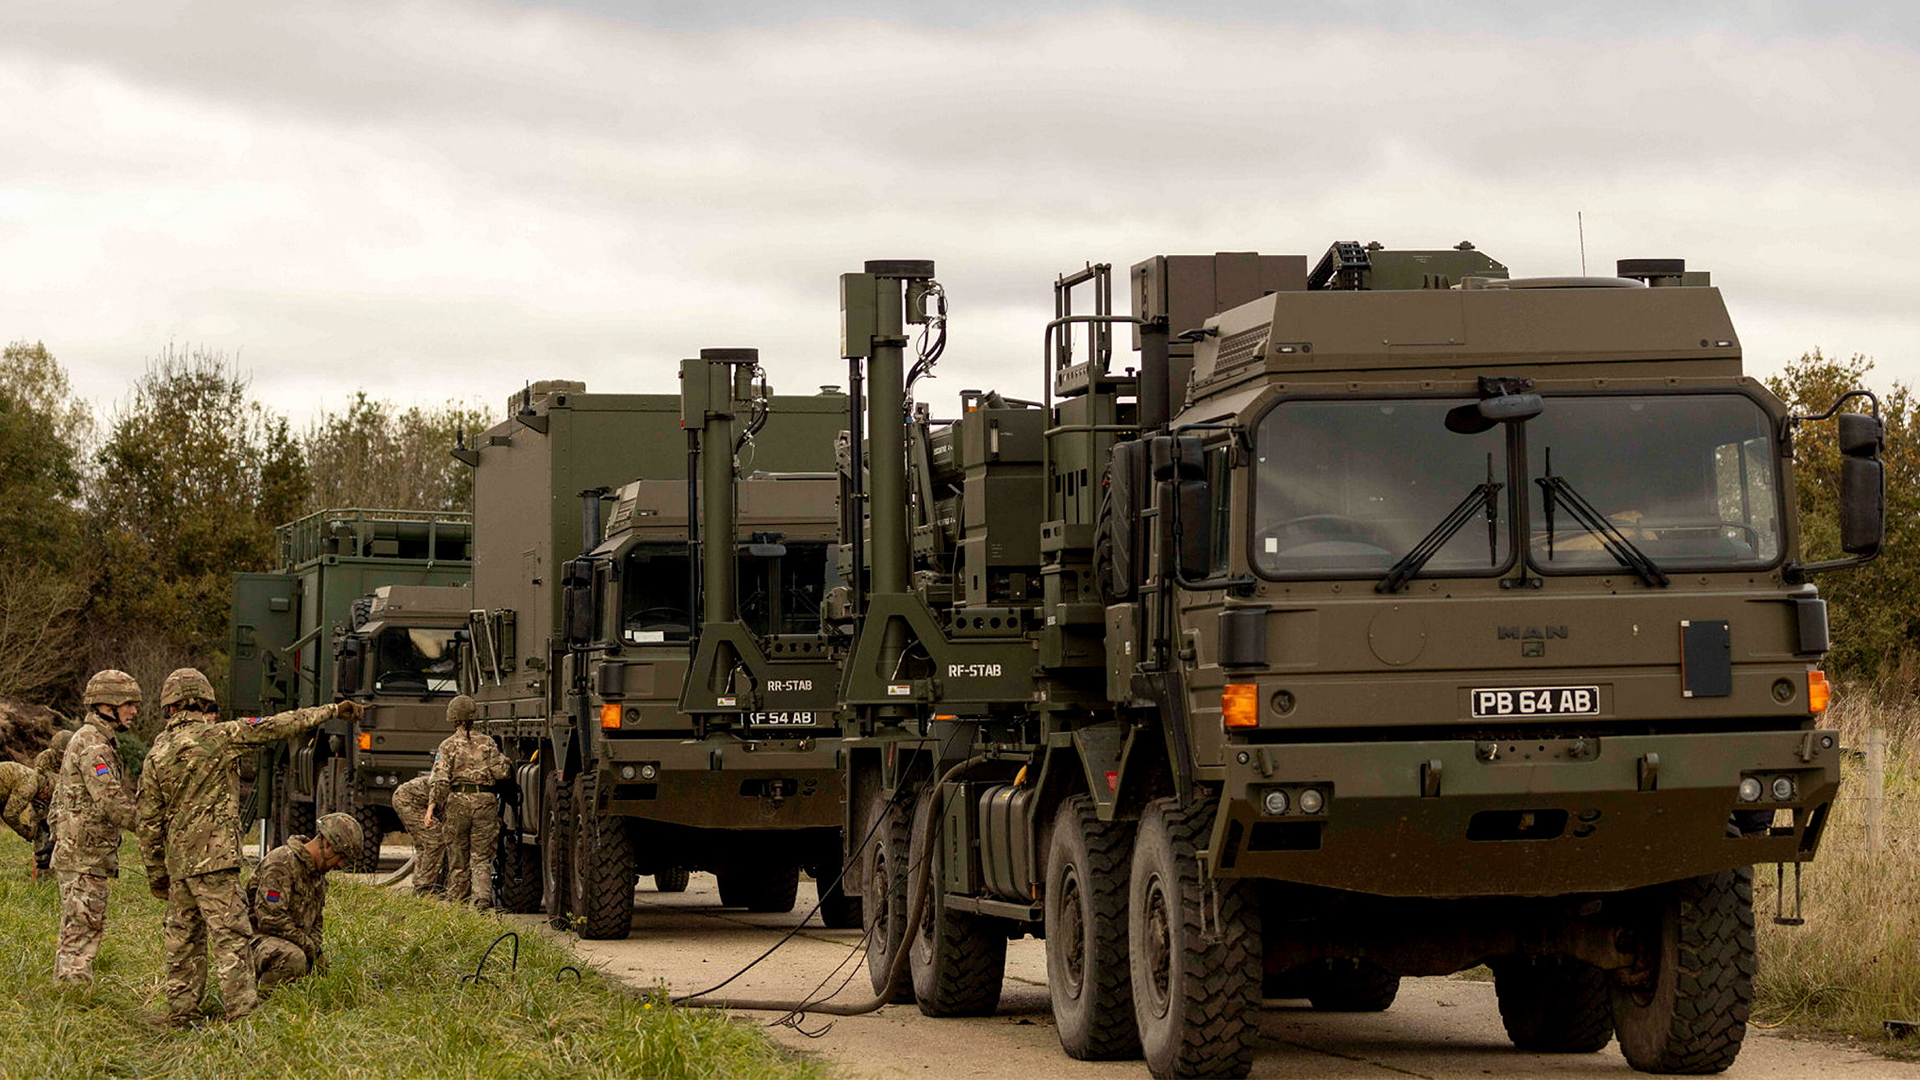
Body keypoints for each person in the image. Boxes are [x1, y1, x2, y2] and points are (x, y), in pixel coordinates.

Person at [136, 668, 360, 1027]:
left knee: (183, 944)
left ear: (169, 707)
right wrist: (331, 711)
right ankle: (242, 1017)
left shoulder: (156, 755)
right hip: (216, 864)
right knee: (231, 941)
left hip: (180, 867)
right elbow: (281, 724)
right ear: (206, 702)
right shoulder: (222, 736)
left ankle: (181, 1015)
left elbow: (147, 823)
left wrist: (157, 875)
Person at [51, 671, 141, 984]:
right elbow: (112, 802)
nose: (133, 710)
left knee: (80, 926)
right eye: (128, 703)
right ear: (107, 704)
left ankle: (70, 989)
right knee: (82, 928)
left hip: (80, 854)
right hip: (84, 857)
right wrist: (150, 826)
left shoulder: (95, 740)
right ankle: (73, 992)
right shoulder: (93, 745)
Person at [250, 812, 360, 991]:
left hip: (291, 942)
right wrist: (309, 948)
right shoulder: (281, 863)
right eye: (340, 856)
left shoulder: (317, 876)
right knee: (293, 959)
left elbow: (316, 921)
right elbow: (270, 919)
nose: (340, 864)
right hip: (256, 941)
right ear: (326, 844)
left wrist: (316, 951)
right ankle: (263, 1002)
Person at [423, 695, 508, 907]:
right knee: (481, 857)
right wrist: (506, 762)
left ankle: (458, 903)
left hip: (457, 803)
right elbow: (501, 773)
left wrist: (431, 807)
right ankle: (482, 899)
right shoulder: (488, 743)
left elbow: (441, 779)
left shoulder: (447, 746)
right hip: (485, 802)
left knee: (458, 857)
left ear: (452, 717)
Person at [389, 773, 446, 896]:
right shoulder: (449, 784)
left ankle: (420, 887)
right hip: (408, 800)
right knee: (435, 840)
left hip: (411, 799)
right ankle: (424, 887)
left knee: (423, 846)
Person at [31, 730, 72, 880]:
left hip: (66, 808)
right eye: (59, 754)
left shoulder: (76, 760)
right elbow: (38, 786)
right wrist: (42, 816)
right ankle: (42, 880)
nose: (61, 759)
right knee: (42, 845)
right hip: (43, 807)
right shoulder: (44, 759)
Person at [0, 759, 49, 841]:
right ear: (46, 789)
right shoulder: (30, 786)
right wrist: (25, 833)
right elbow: (10, 814)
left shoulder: (30, 776)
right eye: (47, 798)